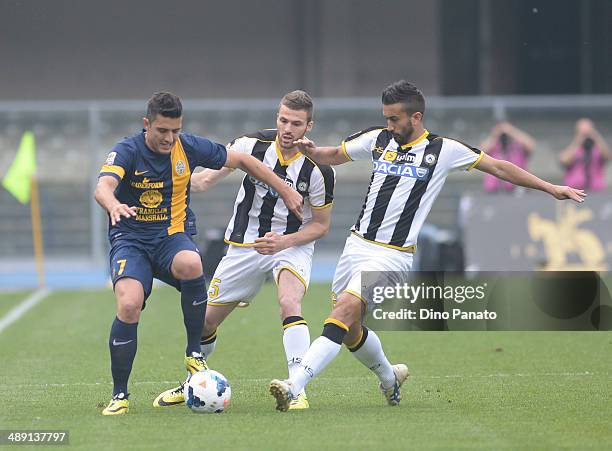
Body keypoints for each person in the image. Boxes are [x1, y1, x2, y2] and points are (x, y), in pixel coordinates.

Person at [268, 80, 586, 412]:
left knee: (341, 314)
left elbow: (499, 167)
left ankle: (295, 385)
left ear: (415, 117)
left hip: (392, 257)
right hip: (356, 247)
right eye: (386, 118)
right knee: (350, 331)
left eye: (394, 119)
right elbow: (333, 155)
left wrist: (550, 187)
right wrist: (312, 152)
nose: (389, 126)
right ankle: (390, 377)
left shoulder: (444, 150)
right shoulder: (379, 139)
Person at [95, 92, 303, 416]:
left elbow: (243, 160)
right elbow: (103, 186)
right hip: (131, 241)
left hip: (170, 237)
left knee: (192, 263)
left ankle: (195, 354)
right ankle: (119, 394)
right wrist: (114, 205)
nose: (169, 138)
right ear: (147, 124)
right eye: (162, 131)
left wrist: (286, 188)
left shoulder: (187, 146)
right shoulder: (127, 150)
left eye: (175, 131)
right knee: (129, 303)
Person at [154, 90, 335, 410]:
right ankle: (192, 383)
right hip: (244, 246)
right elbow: (204, 181)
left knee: (289, 301)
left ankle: (296, 387)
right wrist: (165, 175)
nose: (287, 129)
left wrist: (284, 242)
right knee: (205, 322)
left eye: (296, 123)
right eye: (282, 120)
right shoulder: (249, 146)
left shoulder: (319, 170)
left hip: (290, 245)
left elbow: (320, 225)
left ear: (309, 126)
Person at [480, 121, 535, 193]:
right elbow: (480, 152)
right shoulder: (494, 145)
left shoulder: (518, 145)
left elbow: (531, 146)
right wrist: (495, 135)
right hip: (494, 188)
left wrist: (511, 131)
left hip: (517, 187)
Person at [559, 118, 610, 192]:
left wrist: (596, 137)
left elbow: (607, 157)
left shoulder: (597, 148)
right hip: (573, 189)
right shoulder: (573, 147)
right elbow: (564, 161)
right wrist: (578, 140)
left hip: (596, 189)